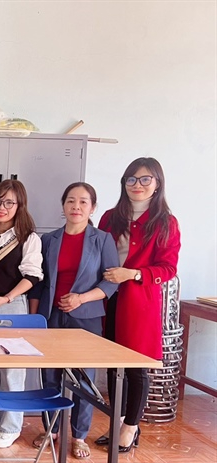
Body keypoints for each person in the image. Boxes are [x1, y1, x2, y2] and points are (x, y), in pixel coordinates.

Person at [28, 182, 119, 459]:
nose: (76, 206)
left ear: (92, 208)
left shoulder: (102, 239)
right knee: (50, 377)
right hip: (51, 316)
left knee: (84, 379)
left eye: (83, 202)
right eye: (70, 201)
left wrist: (82, 298)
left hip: (87, 318)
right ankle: (51, 429)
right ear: (63, 206)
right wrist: (34, 319)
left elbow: (111, 282)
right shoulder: (49, 239)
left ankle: (79, 436)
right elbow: (38, 282)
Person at [96, 158, 180, 452]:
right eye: (131, 179)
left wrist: (133, 274)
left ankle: (131, 427)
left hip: (139, 301)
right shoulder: (110, 217)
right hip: (108, 297)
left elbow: (168, 268)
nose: (137, 185)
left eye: (145, 179)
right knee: (112, 364)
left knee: (135, 367)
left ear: (157, 184)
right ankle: (118, 422)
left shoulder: (165, 222)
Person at [0, 180, 43, 449]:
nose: (1, 207)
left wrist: (6, 298)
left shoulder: (28, 238)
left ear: (19, 206)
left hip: (11, 306)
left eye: (9, 202)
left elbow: (32, 276)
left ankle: (11, 426)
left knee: (12, 370)